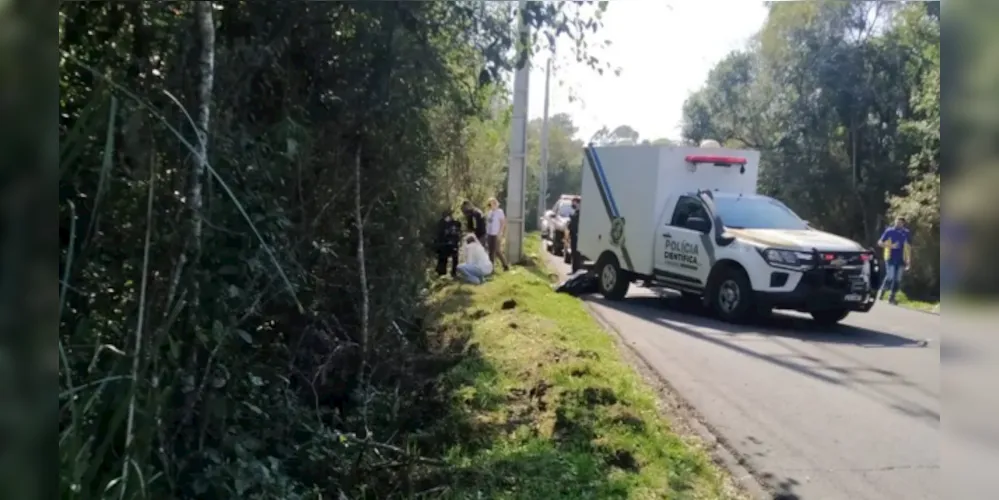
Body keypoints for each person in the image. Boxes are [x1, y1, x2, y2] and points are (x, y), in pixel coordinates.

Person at [877, 215, 912, 304]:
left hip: (901, 259)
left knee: (897, 279)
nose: (898, 223)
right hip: (890, 257)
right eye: (897, 221)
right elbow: (880, 243)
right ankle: (882, 292)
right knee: (890, 276)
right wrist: (891, 246)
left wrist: (908, 260)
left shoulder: (906, 232)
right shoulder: (889, 231)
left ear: (903, 224)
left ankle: (891, 297)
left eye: (900, 222)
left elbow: (908, 247)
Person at [485, 197, 510, 271]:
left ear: (496, 204)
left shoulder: (499, 211)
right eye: (490, 204)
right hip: (490, 233)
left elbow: (503, 223)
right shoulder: (489, 212)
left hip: (496, 233)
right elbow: (489, 223)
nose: (491, 205)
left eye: (493, 203)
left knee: (497, 250)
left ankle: (505, 265)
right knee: (490, 250)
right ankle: (491, 267)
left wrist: (500, 233)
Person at [434, 209, 461, 277]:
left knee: (455, 257)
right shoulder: (441, 224)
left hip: (453, 244)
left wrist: (455, 240)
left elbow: (457, 232)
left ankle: (453, 273)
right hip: (444, 244)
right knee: (442, 257)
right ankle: (441, 273)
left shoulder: (454, 223)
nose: (448, 217)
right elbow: (439, 235)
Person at [566, 196, 582, 272]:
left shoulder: (580, 213)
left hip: (577, 236)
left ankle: (576, 270)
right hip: (573, 235)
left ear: (578, 203)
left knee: (576, 254)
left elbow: (576, 224)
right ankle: (574, 269)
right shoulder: (576, 212)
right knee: (573, 253)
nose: (572, 204)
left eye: (574, 202)